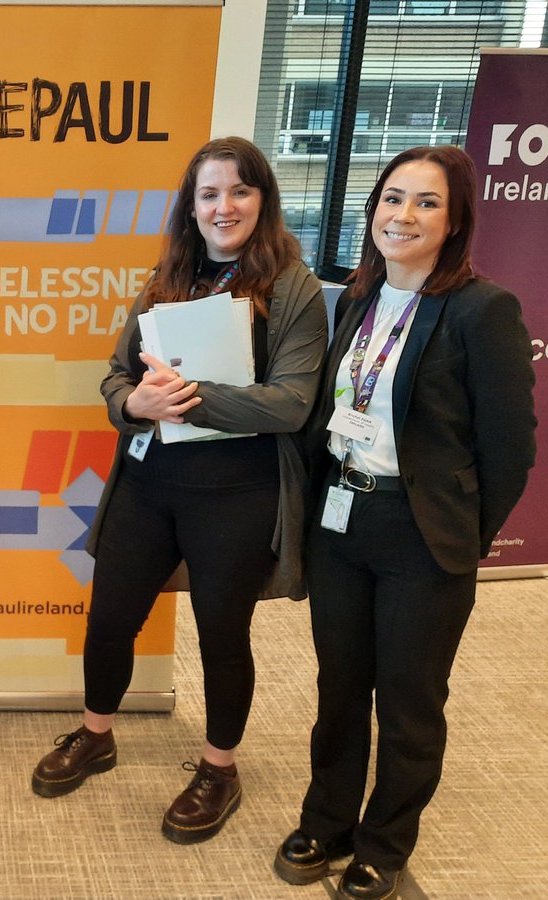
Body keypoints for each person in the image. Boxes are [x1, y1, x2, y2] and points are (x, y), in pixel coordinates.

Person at [31, 137, 328, 845]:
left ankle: (219, 770)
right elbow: (116, 374)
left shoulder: (296, 288)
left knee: (223, 636)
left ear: (263, 200)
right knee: (109, 620)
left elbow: (291, 404)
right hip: (148, 484)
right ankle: (96, 734)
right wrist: (133, 404)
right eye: (209, 194)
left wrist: (188, 399)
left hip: (237, 495)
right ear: (190, 208)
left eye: (239, 191)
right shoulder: (168, 279)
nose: (224, 207)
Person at [273, 145, 536, 899]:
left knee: (409, 699)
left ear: (455, 222)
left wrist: (461, 536)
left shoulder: (482, 310)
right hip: (341, 521)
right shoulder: (355, 299)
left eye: (427, 203)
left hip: (422, 533)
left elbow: (510, 448)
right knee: (340, 685)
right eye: (392, 198)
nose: (404, 215)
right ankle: (328, 821)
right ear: (373, 210)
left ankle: (384, 843)